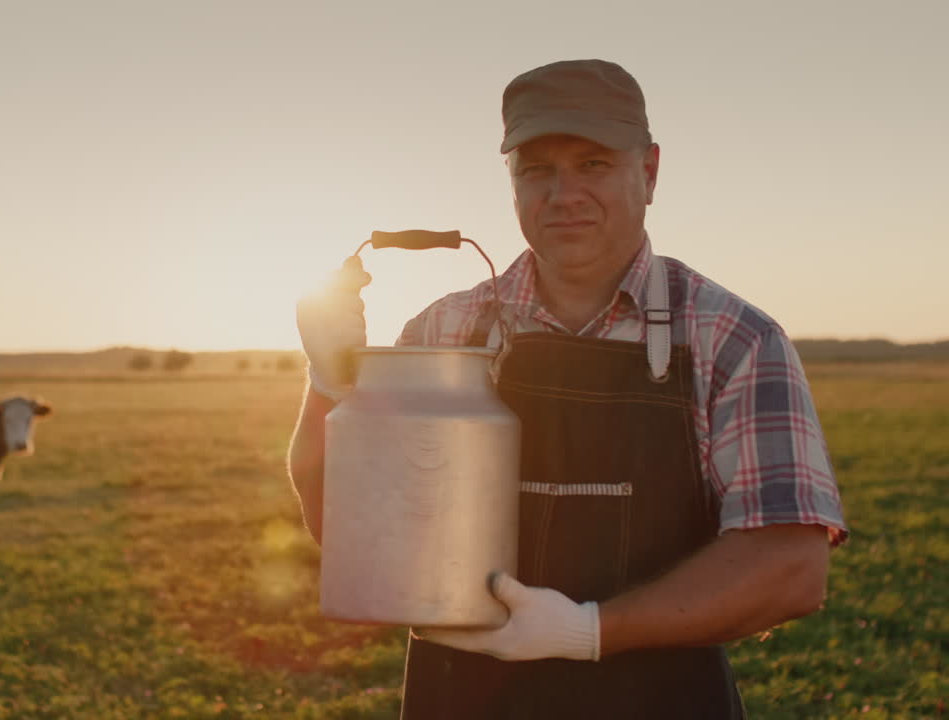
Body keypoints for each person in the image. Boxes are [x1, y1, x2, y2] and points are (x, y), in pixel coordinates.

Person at [288, 59, 848, 719]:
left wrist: (587, 631)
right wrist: (328, 383)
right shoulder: (443, 333)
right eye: (537, 170)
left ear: (650, 172)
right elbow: (348, 531)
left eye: (594, 164)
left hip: (659, 702)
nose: (563, 194)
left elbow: (790, 568)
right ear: (512, 182)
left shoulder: (732, 340)